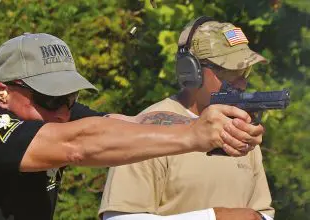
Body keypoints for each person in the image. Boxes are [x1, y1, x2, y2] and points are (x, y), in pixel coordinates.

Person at [0, 33, 263, 220]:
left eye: (70, 97)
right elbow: (76, 145)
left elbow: (127, 124)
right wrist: (193, 135)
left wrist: (212, 123)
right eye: (49, 98)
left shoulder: (57, 114)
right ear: (2, 92)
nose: (63, 111)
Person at [99, 17, 274, 220]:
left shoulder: (241, 132)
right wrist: (214, 217)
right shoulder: (145, 131)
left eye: (245, 71)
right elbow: (119, 218)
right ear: (191, 71)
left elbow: (261, 213)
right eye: (229, 72)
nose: (242, 83)